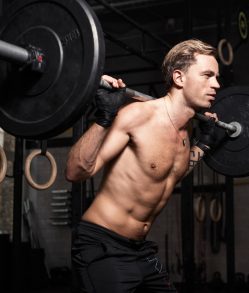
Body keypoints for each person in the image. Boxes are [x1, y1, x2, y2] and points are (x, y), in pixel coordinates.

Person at [65, 39, 220, 293]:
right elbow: (76, 172)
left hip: (140, 249)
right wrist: (104, 118)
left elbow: (171, 174)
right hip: (102, 244)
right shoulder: (138, 116)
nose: (216, 84)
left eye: (216, 77)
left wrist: (203, 144)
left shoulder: (186, 132)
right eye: (207, 75)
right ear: (179, 78)